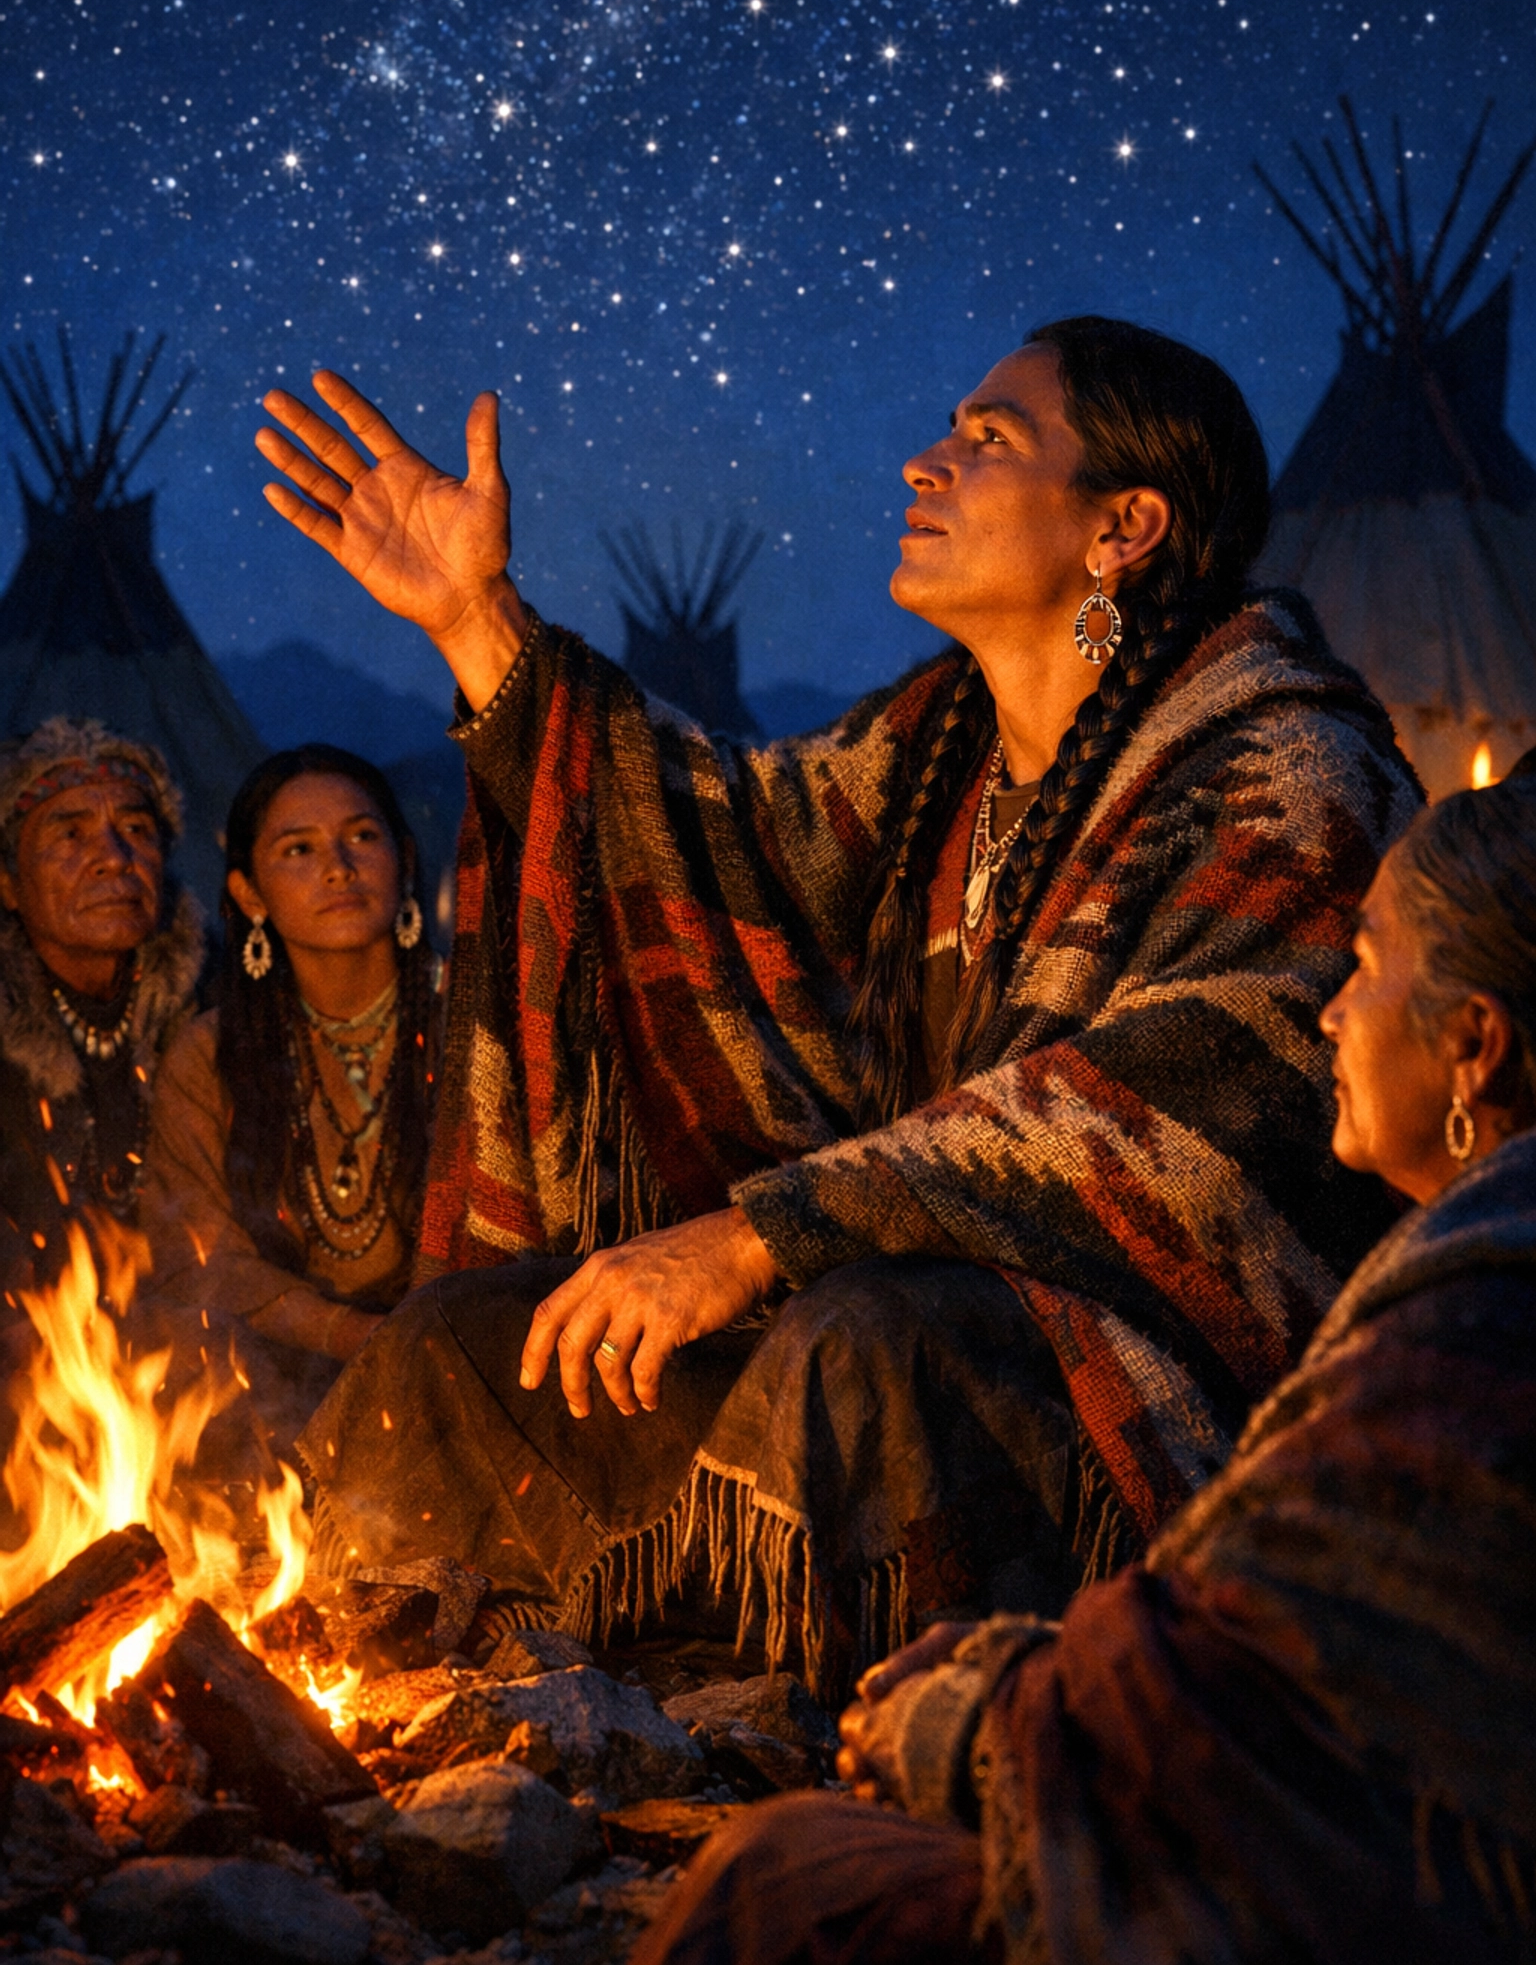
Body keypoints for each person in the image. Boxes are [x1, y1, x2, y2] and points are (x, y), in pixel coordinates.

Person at [258, 319, 1418, 1691]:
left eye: (989, 442)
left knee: (863, 1352)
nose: (928, 464)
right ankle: (384, 1671)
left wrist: (757, 1236)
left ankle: (850, 1727)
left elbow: (1178, 1096)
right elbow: (705, 841)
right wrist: (475, 620)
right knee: (477, 1346)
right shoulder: (941, 753)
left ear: (1125, 527)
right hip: (875, 1304)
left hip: (1150, 1403)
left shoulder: (1289, 778)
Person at [635, 776, 1536, 1965]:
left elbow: (1247, 1705)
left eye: (1366, 965)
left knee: (784, 1881)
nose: (1327, 1015)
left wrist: (980, 1724)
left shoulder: (1472, 1337)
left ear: (1473, 1046)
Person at [137, 748, 441, 1422]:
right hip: (272, 1397)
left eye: (362, 836)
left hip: (462, 1371)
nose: (339, 867)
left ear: (406, 860)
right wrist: (349, 1334)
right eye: (298, 850)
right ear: (250, 895)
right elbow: (197, 1261)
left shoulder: (478, 1030)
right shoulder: (212, 1056)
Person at [0, 717, 202, 1293]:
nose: (114, 857)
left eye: (136, 829)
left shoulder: (213, 1012)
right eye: (70, 835)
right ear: (9, 886)